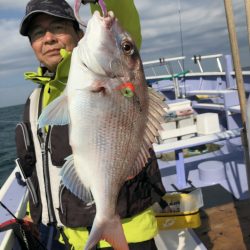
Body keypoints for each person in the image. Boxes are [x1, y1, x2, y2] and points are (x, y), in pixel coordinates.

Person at [15, 0, 167, 249]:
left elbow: (120, 22)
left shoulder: (111, 74)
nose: (49, 38)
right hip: (64, 237)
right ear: (32, 44)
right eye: (38, 33)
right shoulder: (36, 100)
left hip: (127, 234)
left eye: (58, 27)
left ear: (79, 33)